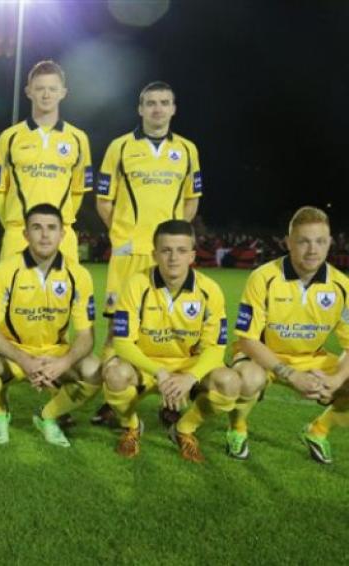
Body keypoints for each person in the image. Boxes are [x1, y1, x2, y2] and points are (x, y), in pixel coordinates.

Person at [92, 81, 203, 427]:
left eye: (164, 103)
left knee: (170, 331)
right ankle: (113, 401)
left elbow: (191, 199)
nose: (157, 109)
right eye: (151, 103)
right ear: (140, 109)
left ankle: (171, 399)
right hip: (128, 254)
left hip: (166, 257)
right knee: (116, 330)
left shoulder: (187, 150)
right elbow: (103, 200)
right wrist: (123, 235)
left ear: (174, 109)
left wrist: (174, 241)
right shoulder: (120, 147)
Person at [102, 220, 237, 462]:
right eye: (166, 250)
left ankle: (184, 429)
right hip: (146, 365)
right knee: (114, 375)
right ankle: (132, 426)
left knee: (229, 382)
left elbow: (215, 347)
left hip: (187, 366)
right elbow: (122, 342)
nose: (173, 258)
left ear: (192, 256)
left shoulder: (209, 290)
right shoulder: (136, 284)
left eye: (181, 251)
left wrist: (191, 376)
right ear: (154, 254)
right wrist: (160, 373)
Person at [0, 203, 100, 447]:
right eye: (37, 228)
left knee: (93, 370)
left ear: (63, 234)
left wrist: (63, 363)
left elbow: (86, 336)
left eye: (51, 228)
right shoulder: (6, 270)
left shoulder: (78, 275)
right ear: (26, 234)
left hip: (53, 354)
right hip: (13, 352)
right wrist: (24, 360)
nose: (45, 234)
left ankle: (48, 416)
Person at [232, 206, 349, 464]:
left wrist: (337, 377)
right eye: (303, 241)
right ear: (288, 243)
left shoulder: (342, 285)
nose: (312, 249)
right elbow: (247, 339)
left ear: (330, 243)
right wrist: (291, 375)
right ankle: (237, 428)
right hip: (261, 356)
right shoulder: (263, 277)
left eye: (320, 241)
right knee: (248, 379)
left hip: (310, 358)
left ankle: (318, 432)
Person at [0, 60, 93, 261]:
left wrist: (60, 223)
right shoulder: (9, 137)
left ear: (63, 92)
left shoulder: (78, 139)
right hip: (18, 234)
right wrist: (14, 225)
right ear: (28, 91)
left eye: (52, 89)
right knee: (14, 292)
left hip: (62, 236)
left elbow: (78, 190)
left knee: (64, 293)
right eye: (40, 88)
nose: (46, 95)